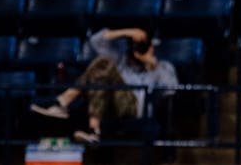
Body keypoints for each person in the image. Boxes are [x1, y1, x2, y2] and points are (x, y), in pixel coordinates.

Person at [30, 27, 178, 144]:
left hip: (134, 108)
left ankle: (63, 102)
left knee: (103, 63)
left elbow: (171, 89)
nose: (141, 50)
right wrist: (128, 31)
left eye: (145, 46)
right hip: (110, 102)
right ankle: (93, 130)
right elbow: (95, 41)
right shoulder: (120, 60)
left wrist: (153, 65)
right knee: (101, 69)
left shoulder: (162, 66)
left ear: (152, 47)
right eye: (138, 46)